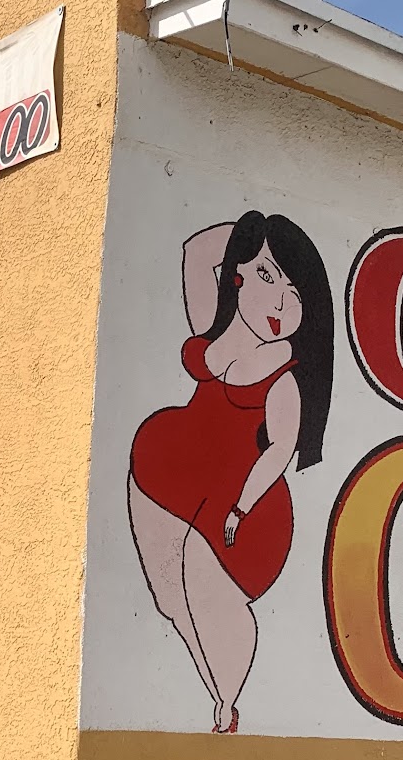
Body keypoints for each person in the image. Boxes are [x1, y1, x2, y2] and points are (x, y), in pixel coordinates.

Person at [129, 210, 334, 732]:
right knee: (171, 599)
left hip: (247, 505)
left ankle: (227, 704)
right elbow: (195, 253)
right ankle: (215, 692)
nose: (279, 303)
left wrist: (240, 508)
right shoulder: (215, 332)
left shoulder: (284, 376)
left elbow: (280, 449)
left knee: (206, 590)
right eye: (267, 277)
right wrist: (251, 231)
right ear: (238, 275)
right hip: (177, 471)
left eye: (294, 293)